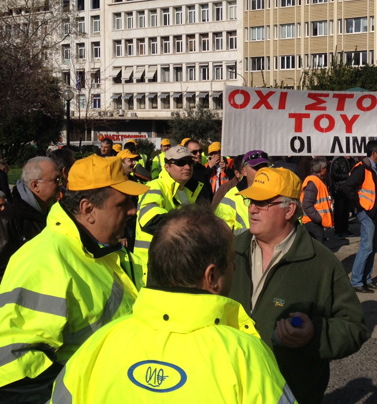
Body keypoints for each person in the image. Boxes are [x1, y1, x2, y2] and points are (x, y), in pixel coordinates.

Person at [50, 204, 295, 404]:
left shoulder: (98, 345)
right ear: (211, 277)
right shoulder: (245, 354)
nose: (233, 267)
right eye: (231, 260)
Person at [0, 155, 148, 402]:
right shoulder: (44, 260)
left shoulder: (104, 250)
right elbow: (12, 369)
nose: (133, 210)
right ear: (88, 209)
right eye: (123, 203)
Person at [229, 167, 370, 404]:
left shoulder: (321, 263)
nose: (252, 208)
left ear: (289, 209)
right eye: (251, 200)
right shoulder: (229, 250)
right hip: (230, 390)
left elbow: (354, 328)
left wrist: (313, 335)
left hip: (290, 395)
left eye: (262, 202)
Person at [135, 146, 204, 287]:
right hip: (153, 265)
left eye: (190, 163)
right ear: (167, 166)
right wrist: (190, 226)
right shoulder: (155, 186)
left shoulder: (188, 191)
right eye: (180, 163)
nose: (187, 167)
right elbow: (149, 220)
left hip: (174, 265)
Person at [0, 157, 61, 278]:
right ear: (35, 185)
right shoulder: (9, 219)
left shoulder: (58, 212)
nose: (61, 183)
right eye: (56, 179)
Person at [343, 140, 377, 293]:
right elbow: (347, 187)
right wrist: (359, 206)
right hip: (367, 212)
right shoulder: (361, 169)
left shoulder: (373, 168)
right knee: (366, 247)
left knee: (372, 247)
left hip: (373, 212)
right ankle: (356, 281)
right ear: (373, 153)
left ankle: (366, 279)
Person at [215, 150, 270, 234]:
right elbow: (219, 235)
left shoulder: (276, 192)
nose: (262, 171)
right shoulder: (231, 197)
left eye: (265, 167)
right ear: (244, 171)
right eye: (256, 168)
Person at [301, 157, 333, 243]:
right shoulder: (313, 182)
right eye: (326, 168)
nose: (327, 170)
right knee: (317, 248)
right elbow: (307, 204)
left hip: (314, 221)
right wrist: (318, 218)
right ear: (322, 169)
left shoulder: (317, 181)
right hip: (313, 222)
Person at [330, 155, 355, 238]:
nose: (349, 155)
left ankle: (345, 229)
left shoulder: (352, 161)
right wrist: (347, 175)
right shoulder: (337, 161)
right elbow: (334, 175)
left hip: (348, 189)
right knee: (339, 211)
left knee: (346, 211)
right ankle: (338, 230)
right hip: (339, 190)